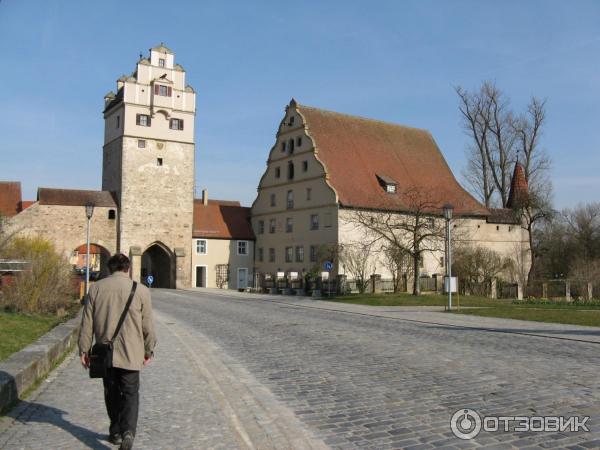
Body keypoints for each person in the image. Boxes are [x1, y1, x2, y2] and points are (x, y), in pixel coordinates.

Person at [78, 253, 156, 450]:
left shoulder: (96, 288)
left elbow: (87, 323)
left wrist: (83, 349)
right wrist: (149, 350)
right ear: (128, 269)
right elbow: (148, 325)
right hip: (132, 352)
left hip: (105, 353)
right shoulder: (141, 290)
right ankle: (129, 431)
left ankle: (115, 432)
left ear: (109, 269)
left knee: (111, 391)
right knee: (130, 393)